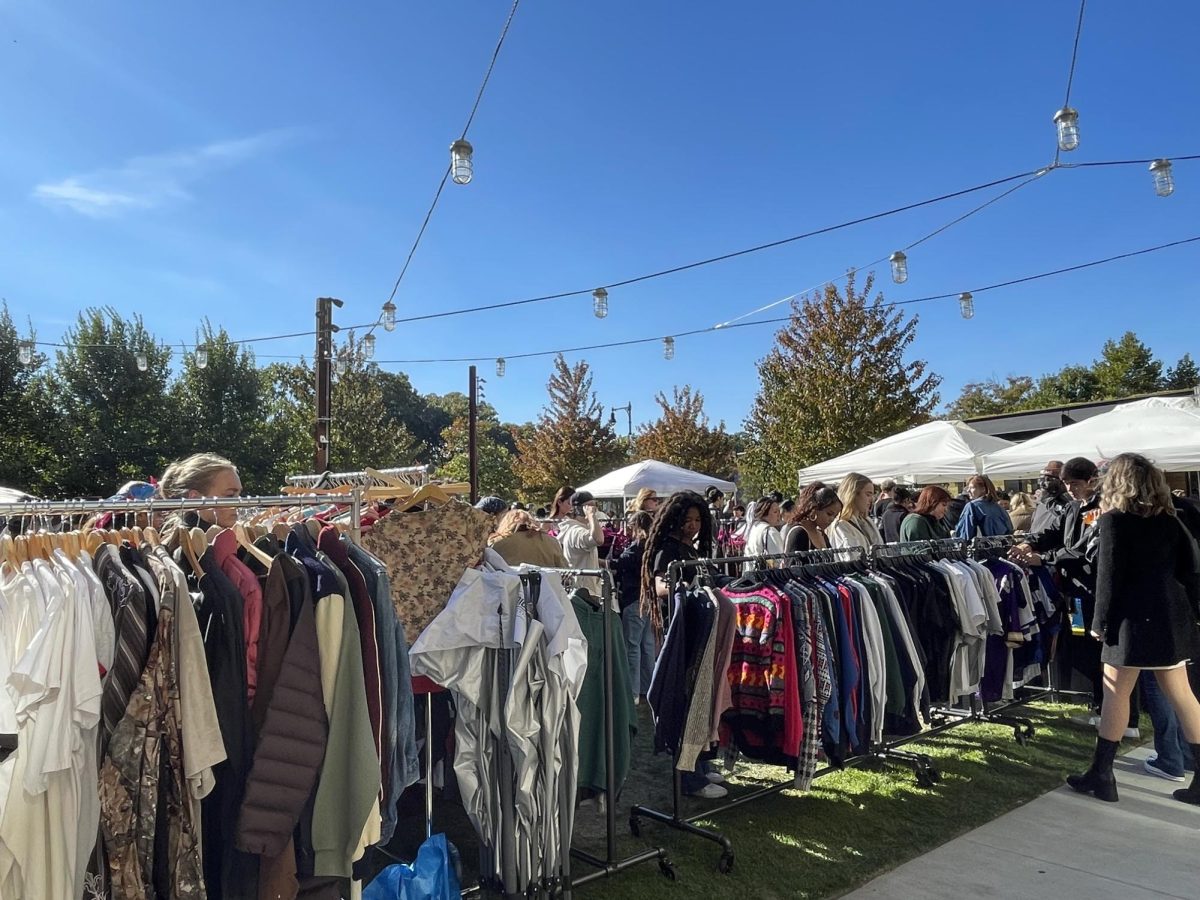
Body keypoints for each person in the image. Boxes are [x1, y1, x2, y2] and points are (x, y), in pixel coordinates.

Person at [1066, 453, 1200, 805]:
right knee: (1183, 697)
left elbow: (1108, 577)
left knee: (1116, 694)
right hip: (1171, 616)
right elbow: (1191, 568)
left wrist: (1098, 622)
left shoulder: (1114, 522)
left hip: (1130, 621)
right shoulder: (1172, 519)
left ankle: (1102, 773)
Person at [640, 491, 725, 799]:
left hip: (700, 633)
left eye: (697, 520)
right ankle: (688, 777)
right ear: (674, 519)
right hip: (679, 634)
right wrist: (678, 586)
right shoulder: (667, 549)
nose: (692, 526)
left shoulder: (692, 548)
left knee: (700, 699)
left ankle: (700, 763)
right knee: (685, 702)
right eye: (687, 520)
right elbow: (660, 585)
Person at [615, 511, 656, 705]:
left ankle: (633, 690)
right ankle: (648, 688)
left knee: (632, 645)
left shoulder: (635, 548)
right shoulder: (653, 546)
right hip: (650, 598)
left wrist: (602, 562)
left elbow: (620, 563)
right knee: (647, 645)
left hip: (634, 598)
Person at [158, 451, 244, 539]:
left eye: (239, 494)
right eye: (230, 495)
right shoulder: (184, 545)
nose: (239, 503)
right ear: (195, 498)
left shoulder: (237, 538)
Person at [555, 489, 605, 597]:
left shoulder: (581, 529)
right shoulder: (576, 531)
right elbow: (599, 540)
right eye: (589, 506)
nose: (593, 509)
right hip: (585, 593)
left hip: (586, 590)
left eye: (594, 505)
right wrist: (591, 516)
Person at [489, 509, 569, 568]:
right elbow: (564, 570)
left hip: (509, 589)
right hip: (548, 588)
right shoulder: (551, 541)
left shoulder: (497, 544)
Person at [828, 473, 882, 550]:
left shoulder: (867, 521)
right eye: (868, 494)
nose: (872, 499)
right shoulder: (841, 525)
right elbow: (849, 557)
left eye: (872, 495)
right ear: (853, 494)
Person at [785, 483, 842, 552]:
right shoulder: (799, 533)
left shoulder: (823, 536)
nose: (832, 519)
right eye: (829, 514)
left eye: (835, 516)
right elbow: (793, 562)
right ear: (814, 508)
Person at [1031, 460, 1071, 532]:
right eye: (1043, 479)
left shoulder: (1068, 503)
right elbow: (1034, 527)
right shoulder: (1041, 503)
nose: (1044, 483)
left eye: (1050, 479)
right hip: (1037, 540)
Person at [744, 494, 784, 562]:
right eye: (775, 512)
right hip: (765, 571)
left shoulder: (754, 527)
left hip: (751, 570)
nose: (778, 515)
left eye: (779, 511)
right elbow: (777, 560)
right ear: (764, 513)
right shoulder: (770, 531)